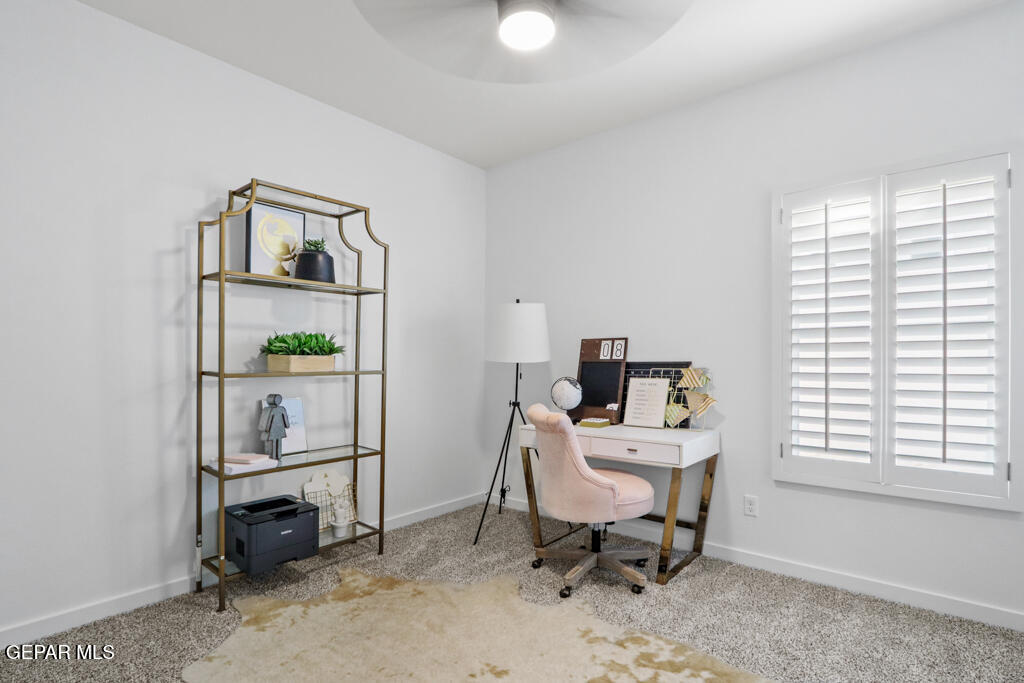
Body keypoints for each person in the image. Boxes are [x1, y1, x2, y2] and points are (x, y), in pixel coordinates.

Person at [258, 394, 290, 460]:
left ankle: (275, 457)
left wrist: (265, 429)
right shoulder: (280, 409)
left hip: (272, 431)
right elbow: (286, 423)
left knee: (275, 443)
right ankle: (275, 457)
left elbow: (264, 424)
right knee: (275, 444)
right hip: (276, 430)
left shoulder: (268, 409)